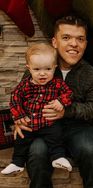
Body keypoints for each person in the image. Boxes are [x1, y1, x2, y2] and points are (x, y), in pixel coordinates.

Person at [14, 15, 93, 188]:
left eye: (80, 39)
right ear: (54, 42)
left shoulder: (92, 76)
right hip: (42, 127)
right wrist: (20, 119)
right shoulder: (38, 69)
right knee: (37, 152)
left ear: (85, 43)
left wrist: (66, 111)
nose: (74, 44)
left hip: (78, 127)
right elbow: (21, 98)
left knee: (90, 150)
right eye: (66, 38)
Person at [1, 43, 73, 175]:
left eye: (48, 69)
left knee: (56, 136)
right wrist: (19, 117)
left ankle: (58, 157)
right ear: (29, 69)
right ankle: (17, 163)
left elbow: (68, 94)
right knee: (21, 139)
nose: (42, 74)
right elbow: (15, 99)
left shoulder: (57, 84)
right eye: (37, 69)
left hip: (48, 122)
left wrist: (61, 101)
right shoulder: (24, 85)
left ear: (54, 68)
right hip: (30, 123)